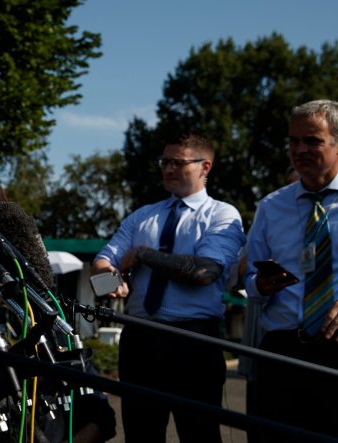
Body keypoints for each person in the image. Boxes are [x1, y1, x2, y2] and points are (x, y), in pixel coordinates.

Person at [91, 134, 245, 442]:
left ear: (205, 167)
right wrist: (112, 283)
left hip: (194, 342)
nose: (168, 169)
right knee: (140, 434)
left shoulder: (222, 215)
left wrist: (144, 255)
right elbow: (101, 264)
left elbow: (205, 272)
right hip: (140, 340)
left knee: (198, 434)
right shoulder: (142, 216)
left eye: (178, 162)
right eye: (165, 162)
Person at [244, 99, 338, 440]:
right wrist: (261, 285)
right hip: (282, 353)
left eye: (312, 140)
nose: (299, 149)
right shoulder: (271, 207)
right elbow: (249, 283)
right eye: (293, 141)